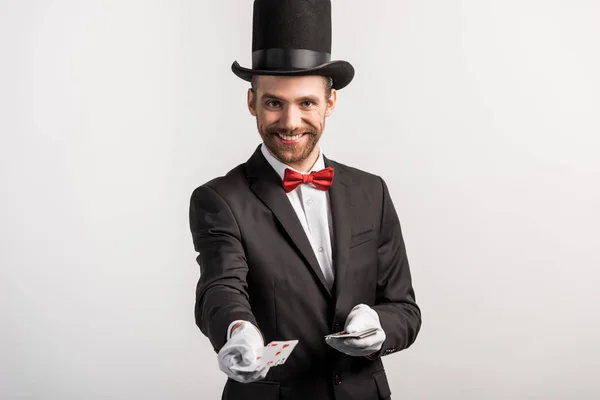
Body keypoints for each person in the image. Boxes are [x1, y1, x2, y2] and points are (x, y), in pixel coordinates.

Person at [188, 1, 421, 399]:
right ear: (252, 103)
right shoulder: (219, 199)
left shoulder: (372, 191)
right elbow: (221, 287)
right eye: (274, 103)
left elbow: (404, 309)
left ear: (330, 103)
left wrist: (378, 326)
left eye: (306, 103)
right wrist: (238, 330)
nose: (291, 122)